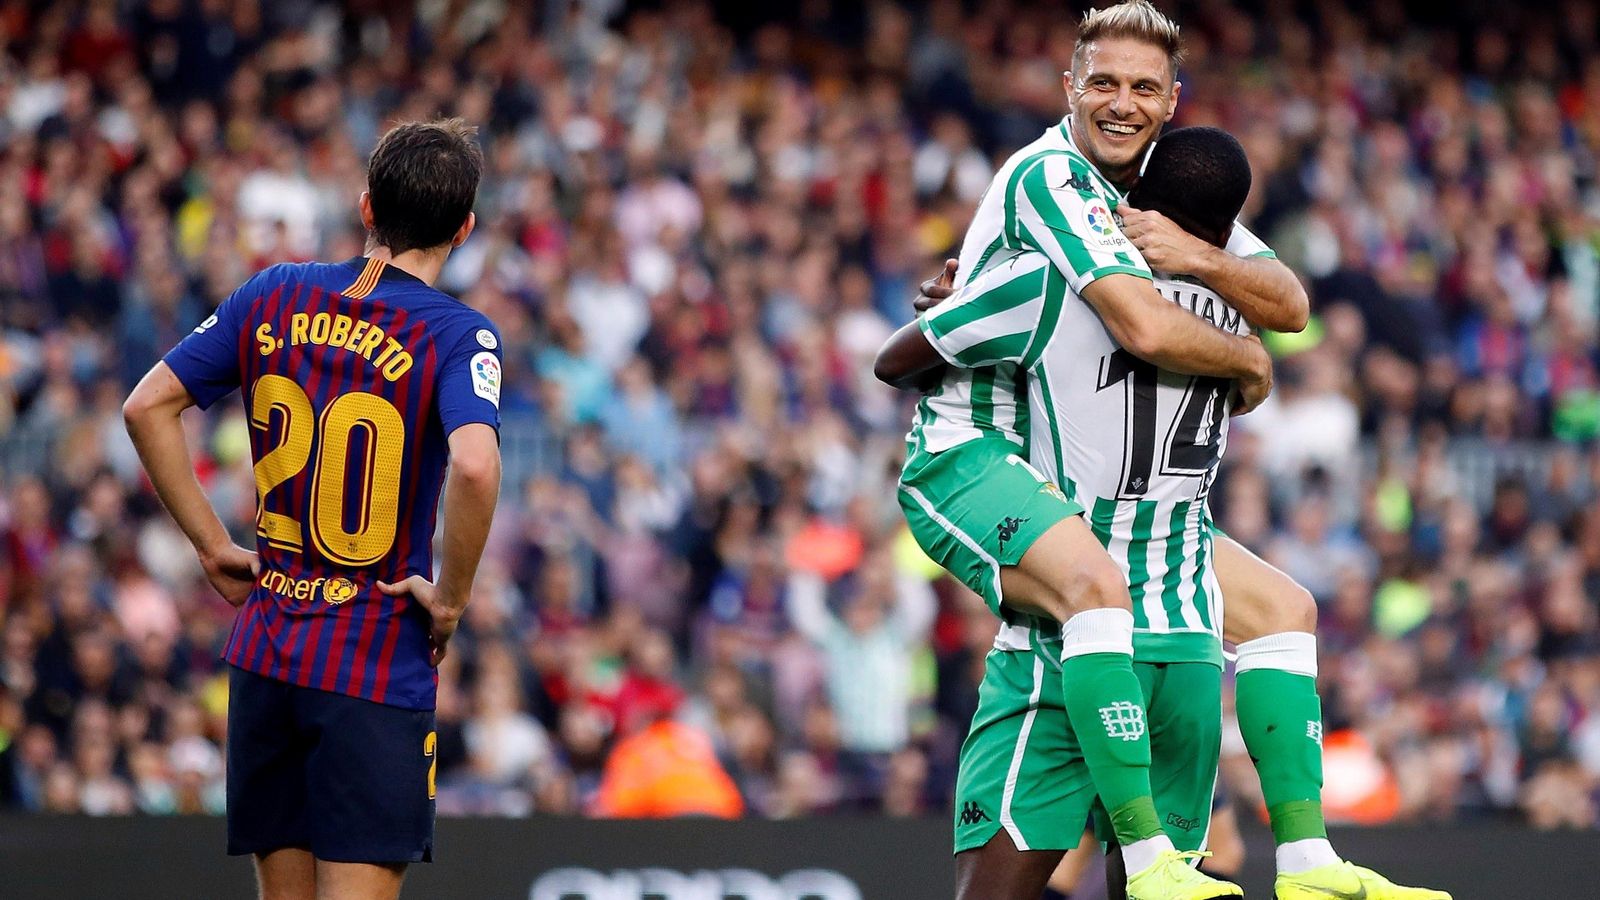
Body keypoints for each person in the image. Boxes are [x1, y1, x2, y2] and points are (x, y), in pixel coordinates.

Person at [883, 4, 1451, 899]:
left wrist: (1203, 259)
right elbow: (1149, 325)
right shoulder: (1052, 180)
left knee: (1276, 609)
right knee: (1095, 592)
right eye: (1102, 81)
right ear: (1069, 86)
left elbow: (1288, 297)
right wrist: (1247, 357)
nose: (1121, 102)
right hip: (986, 451)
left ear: (1172, 101)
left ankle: (1290, 860)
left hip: (1116, 502)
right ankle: (1170, 854)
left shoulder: (1165, 199)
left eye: (1144, 87)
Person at [122, 119, 503, 900]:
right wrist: (454, 599)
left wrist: (208, 542)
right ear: (464, 229)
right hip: (371, 660)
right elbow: (473, 463)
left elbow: (146, 406)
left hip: (266, 653)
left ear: (366, 206)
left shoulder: (274, 292)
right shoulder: (458, 335)